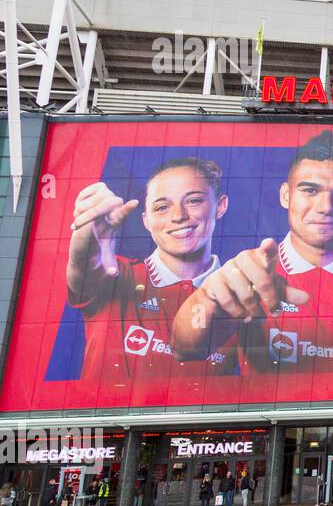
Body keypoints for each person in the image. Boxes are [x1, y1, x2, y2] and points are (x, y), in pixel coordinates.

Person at [172, 130, 333, 373]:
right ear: (286, 195)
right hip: (272, 420)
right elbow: (185, 349)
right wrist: (206, 296)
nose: (325, 207)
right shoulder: (248, 272)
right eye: (310, 190)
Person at [66, 158, 237, 384]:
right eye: (162, 207)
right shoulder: (117, 276)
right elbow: (83, 269)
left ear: (221, 206)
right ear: (146, 220)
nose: (178, 216)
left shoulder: (242, 298)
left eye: (194, 201)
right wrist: (86, 235)